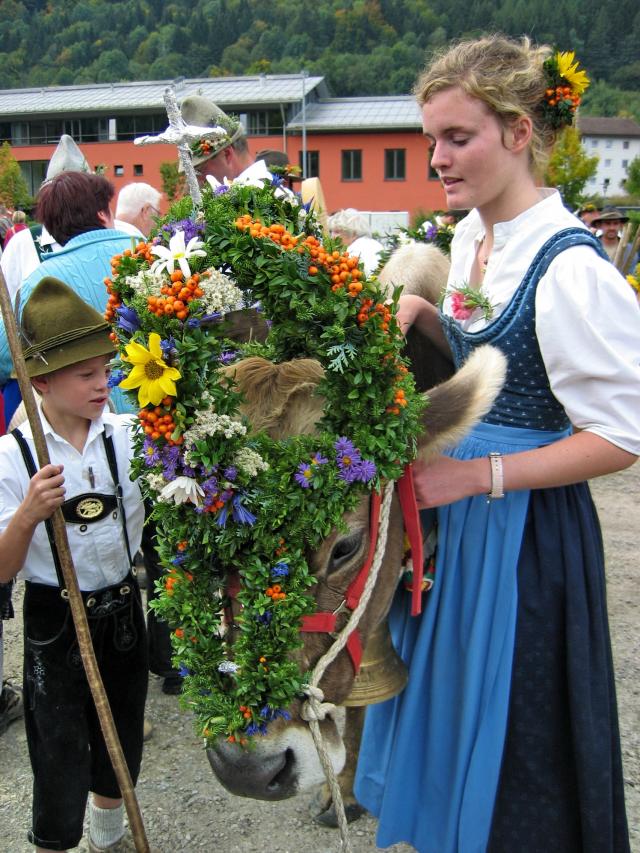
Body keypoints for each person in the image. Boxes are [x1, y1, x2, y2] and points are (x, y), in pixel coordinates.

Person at [355, 35, 638, 853]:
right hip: (465, 529)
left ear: (519, 133)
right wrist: (431, 318)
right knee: (452, 727)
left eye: (458, 138)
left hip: (524, 543)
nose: (437, 158)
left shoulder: (570, 265)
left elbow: (622, 433)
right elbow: (510, 364)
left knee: (517, 753)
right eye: (431, 139)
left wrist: (474, 475)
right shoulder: (476, 242)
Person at [0, 277, 150, 853]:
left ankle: (107, 837)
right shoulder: (16, 458)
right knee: (59, 752)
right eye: (85, 374)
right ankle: (54, 844)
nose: (103, 383)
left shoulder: (129, 437)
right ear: (41, 382)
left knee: (121, 745)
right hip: (55, 620)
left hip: (119, 609)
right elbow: (2, 568)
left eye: (104, 368)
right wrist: (28, 516)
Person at [0, 170, 133, 414]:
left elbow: (6, 354)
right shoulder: (150, 253)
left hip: (87, 427)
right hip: (170, 420)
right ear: (102, 212)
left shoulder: (40, 282)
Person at [180, 95, 272, 187]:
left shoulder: (253, 196)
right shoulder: (269, 191)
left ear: (227, 154)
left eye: (198, 171)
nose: (195, 180)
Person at [327, 208, 384, 274]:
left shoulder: (352, 254)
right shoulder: (377, 245)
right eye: (331, 232)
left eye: (337, 232)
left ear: (353, 234)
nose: (332, 236)